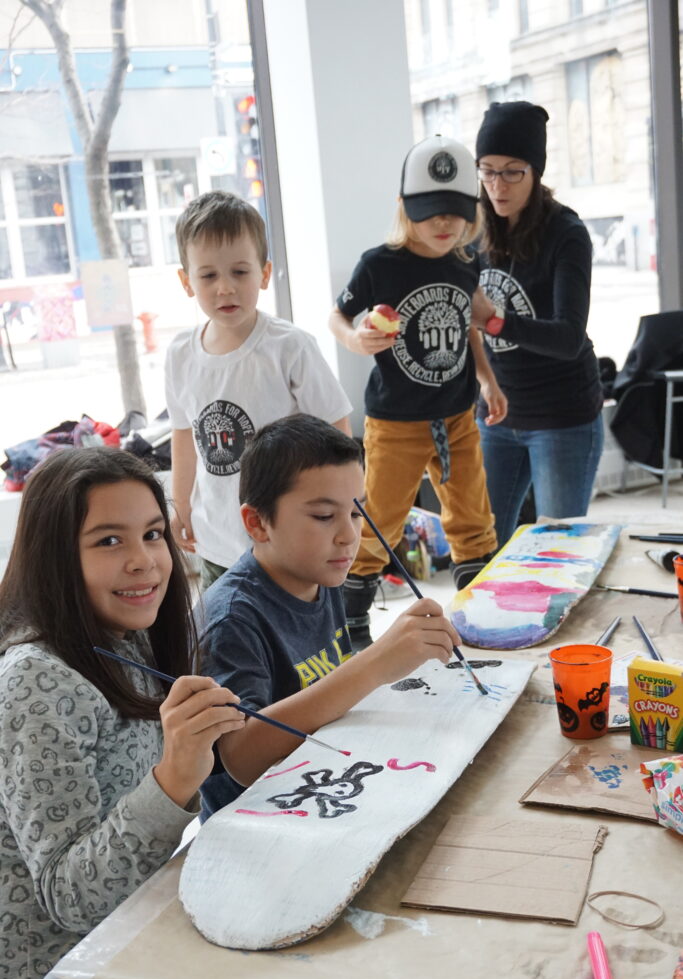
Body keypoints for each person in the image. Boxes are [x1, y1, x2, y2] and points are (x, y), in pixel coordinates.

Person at [0, 448, 245, 979]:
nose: (144, 561)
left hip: (133, 942)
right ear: (55, 558)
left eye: (153, 534)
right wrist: (176, 778)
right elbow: (69, 898)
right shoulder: (35, 680)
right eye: (109, 541)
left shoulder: (124, 637)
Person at [197, 414, 459, 818]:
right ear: (257, 523)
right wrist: (373, 666)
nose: (349, 535)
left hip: (330, 784)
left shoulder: (323, 574)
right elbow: (240, 759)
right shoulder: (232, 617)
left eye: (356, 514)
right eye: (323, 516)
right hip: (259, 824)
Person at [328, 136, 506, 648]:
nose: (444, 224)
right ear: (405, 209)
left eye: (455, 212)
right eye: (431, 213)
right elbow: (337, 314)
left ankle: (477, 613)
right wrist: (355, 339)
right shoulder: (380, 264)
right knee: (377, 521)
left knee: (474, 518)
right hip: (396, 423)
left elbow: (469, 320)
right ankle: (351, 622)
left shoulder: (465, 261)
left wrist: (488, 380)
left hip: (457, 417)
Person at [166, 190, 352, 591]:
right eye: (209, 275)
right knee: (227, 637)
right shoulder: (180, 354)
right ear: (186, 281)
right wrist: (180, 506)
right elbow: (183, 435)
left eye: (240, 272)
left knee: (294, 636)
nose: (225, 289)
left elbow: (337, 428)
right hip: (216, 538)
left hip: (287, 539)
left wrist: (340, 509)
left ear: (265, 274)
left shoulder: (289, 346)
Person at [472, 100, 604, 547]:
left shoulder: (566, 233)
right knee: (482, 545)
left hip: (562, 416)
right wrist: (483, 377)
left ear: (536, 170)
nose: (497, 185)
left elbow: (568, 336)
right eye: (487, 170)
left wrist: (496, 323)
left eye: (512, 171)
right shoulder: (474, 229)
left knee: (556, 552)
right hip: (496, 414)